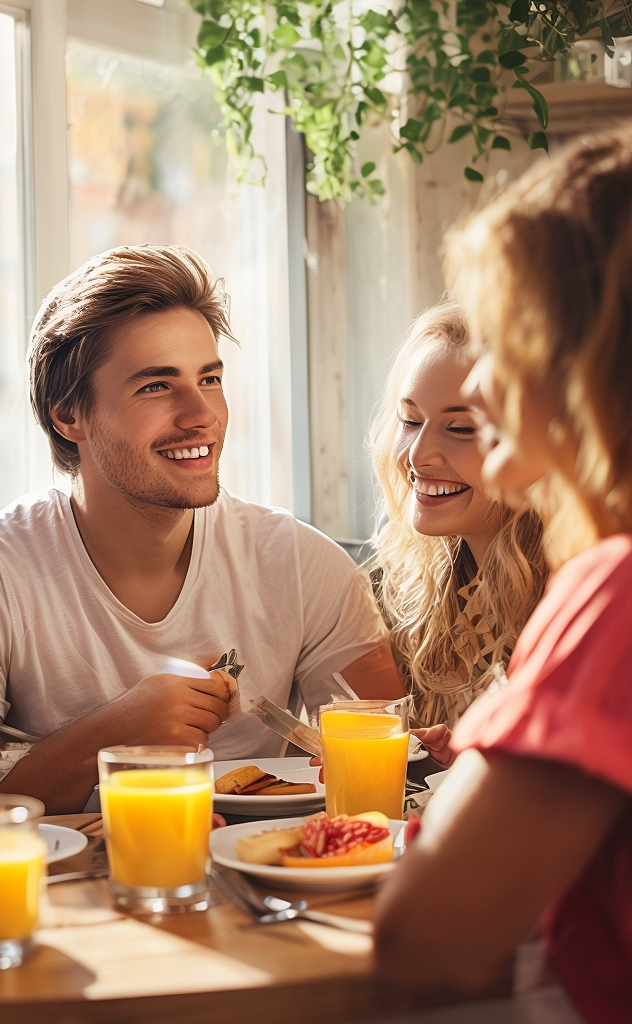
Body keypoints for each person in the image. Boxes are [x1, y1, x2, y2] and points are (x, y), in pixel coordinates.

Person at [0, 244, 404, 813]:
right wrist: (117, 731)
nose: (202, 414)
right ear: (69, 415)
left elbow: (389, 781)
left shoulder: (303, 566)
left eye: (209, 378)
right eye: (156, 386)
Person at [373, 129, 632, 1022]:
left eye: (508, 332)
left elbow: (424, 940)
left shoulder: (616, 593)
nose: (480, 384)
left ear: (595, 362)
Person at [366, 303, 547, 763]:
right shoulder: (402, 591)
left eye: (461, 428)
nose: (418, 454)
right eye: (409, 421)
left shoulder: (580, 598)